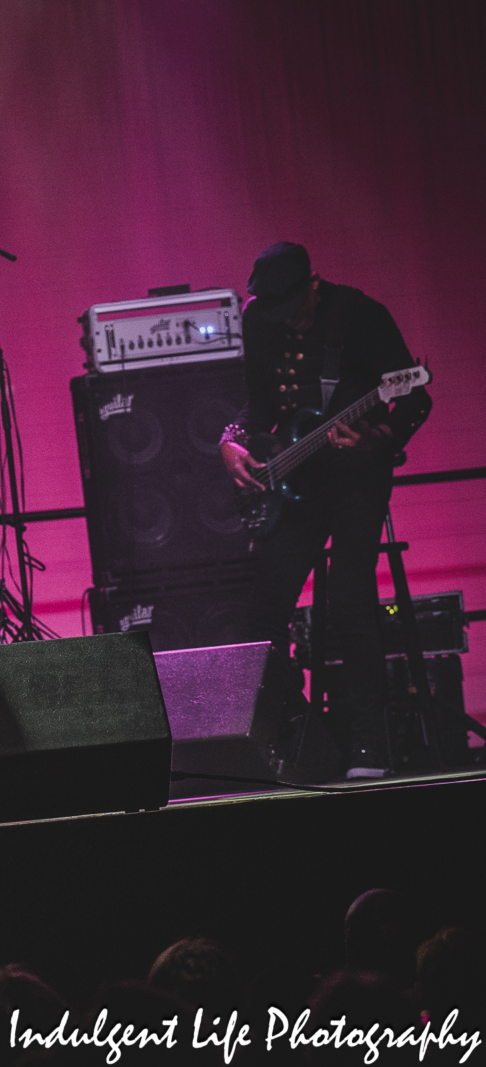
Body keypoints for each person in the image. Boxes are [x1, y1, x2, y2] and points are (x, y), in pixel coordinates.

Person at [220, 241, 431, 779]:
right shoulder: (258, 321)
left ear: (313, 285)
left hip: (355, 479)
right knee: (265, 612)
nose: (285, 324)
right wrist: (233, 440)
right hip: (295, 479)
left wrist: (377, 436)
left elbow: (414, 397)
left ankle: (368, 745)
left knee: (350, 599)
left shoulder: (359, 315)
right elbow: (258, 402)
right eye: (274, 315)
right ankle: (291, 738)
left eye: (292, 312)